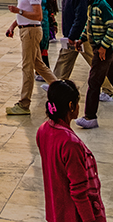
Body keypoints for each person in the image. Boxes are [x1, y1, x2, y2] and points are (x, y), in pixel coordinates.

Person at [36, 79, 106, 222]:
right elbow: (79, 193)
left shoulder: (43, 130)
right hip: (72, 215)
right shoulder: (70, 144)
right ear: (71, 106)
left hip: (55, 211)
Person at [5, 0, 55, 114]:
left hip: (31, 32)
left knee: (27, 67)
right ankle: (60, 87)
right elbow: (24, 12)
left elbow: (38, 15)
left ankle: (24, 104)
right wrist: (13, 26)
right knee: (38, 65)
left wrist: (18, 11)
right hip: (26, 30)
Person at [71, 0, 113, 129]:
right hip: (101, 48)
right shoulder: (92, 3)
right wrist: (82, 39)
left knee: (94, 82)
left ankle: (90, 117)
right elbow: (89, 25)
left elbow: (112, 26)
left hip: (103, 51)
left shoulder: (101, 5)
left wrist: (103, 46)